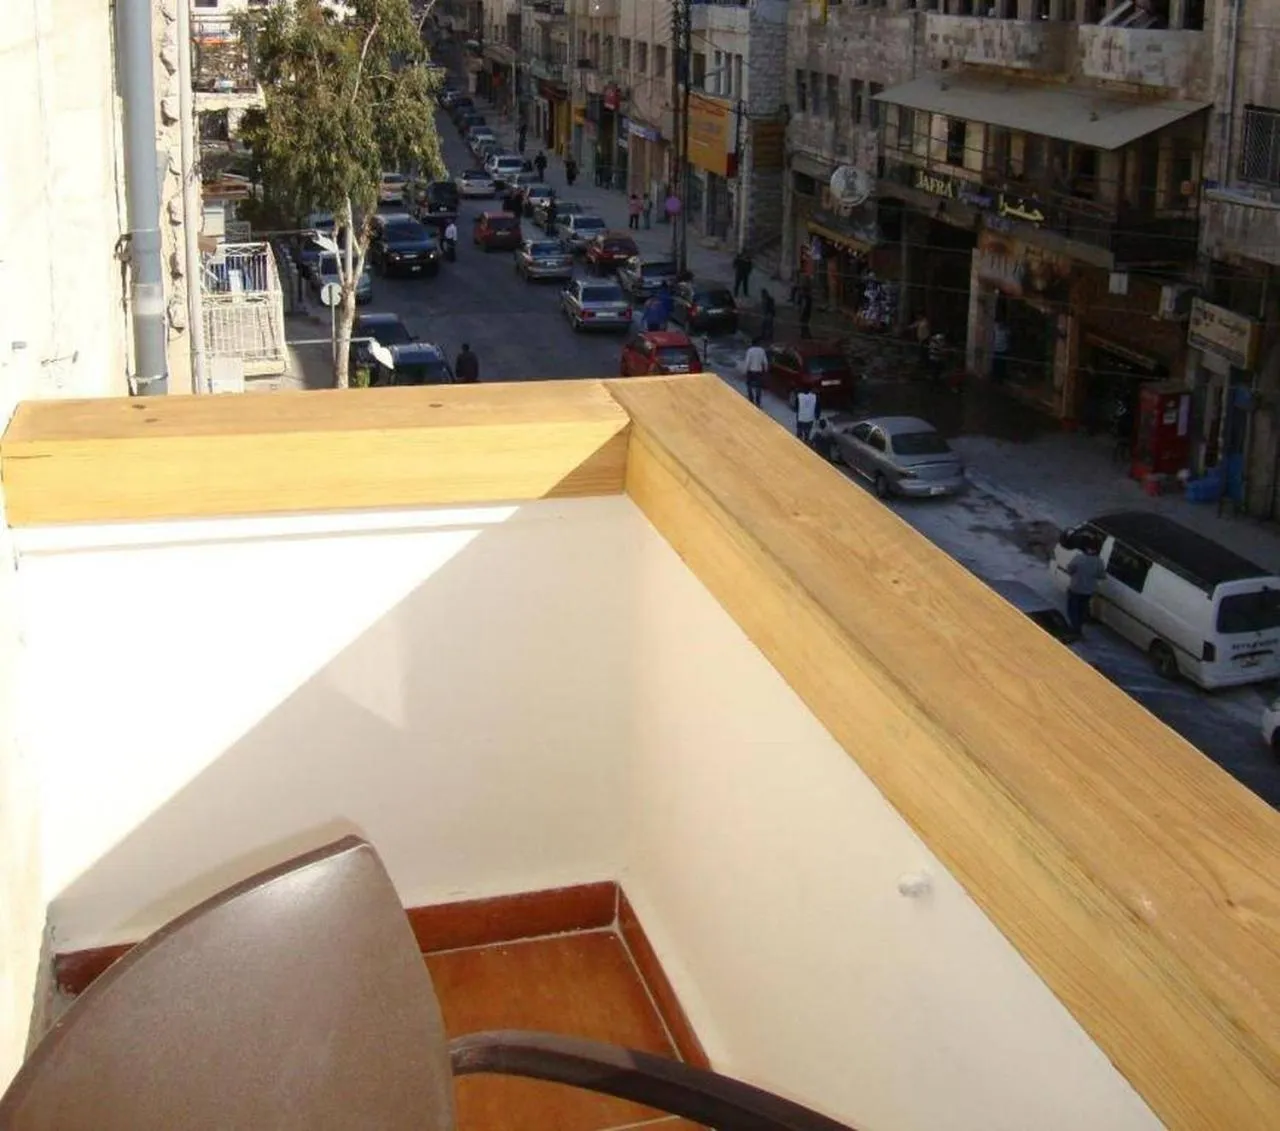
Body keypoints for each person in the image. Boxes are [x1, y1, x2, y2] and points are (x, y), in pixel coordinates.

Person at [1065, 540, 1105, 634]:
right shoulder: (1099, 562)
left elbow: (1070, 570)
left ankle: (1075, 628)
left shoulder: (1079, 558)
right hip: (1088, 591)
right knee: (1082, 609)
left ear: (1087, 549)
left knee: (1073, 609)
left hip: (1076, 588)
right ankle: (1080, 625)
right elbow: (1101, 576)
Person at [743, 337, 768, 406]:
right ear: (759, 343)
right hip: (759, 372)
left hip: (751, 371)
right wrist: (765, 370)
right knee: (758, 387)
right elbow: (765, 362)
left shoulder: (750, 350)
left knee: (749, 386)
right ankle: (758, 402)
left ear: (752, 343)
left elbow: (747, 362)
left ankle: (751, 400)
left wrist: (745, 371)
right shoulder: (762, 350)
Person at [991, 319, 1010, 383]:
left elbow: (1008, 338)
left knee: (1001, 364)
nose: (1000, 324)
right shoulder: (995, 326)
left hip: (1003, 349)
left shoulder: (1006, 329)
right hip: (996, 349)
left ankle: (1000, 378)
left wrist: (1008, 347)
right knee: (996, 363)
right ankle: (995, 376)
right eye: (999, 323)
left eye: (1002, 323)